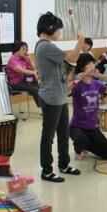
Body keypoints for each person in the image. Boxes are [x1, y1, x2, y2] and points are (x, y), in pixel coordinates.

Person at [35, 12, 83, 183]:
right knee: (48, 135)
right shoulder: (45, 46)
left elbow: (65, 66)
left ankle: (64, 164)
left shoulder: (46, 46)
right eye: (58, 30)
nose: (59, 33)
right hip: (51, 97)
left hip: (59, 95)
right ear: (50, 28)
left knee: (64, 133)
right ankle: (46, 170)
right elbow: (72, 57)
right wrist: (81, 40)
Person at [69, 53, 107, 161]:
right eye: (88, 64)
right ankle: (78, 149)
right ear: (82, 68)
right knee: (81, 139)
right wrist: (75, 80)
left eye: (92, 63)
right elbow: (64, 92)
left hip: (92, 127)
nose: (92, 66)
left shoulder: (96, 84)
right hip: (77, 127)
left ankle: (87, 145)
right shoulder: (77, 85)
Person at [6, 41, 40, 108]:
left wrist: (29, 60)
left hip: (25, 80)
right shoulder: (12, 60)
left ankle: (48, 105)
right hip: (16, 83)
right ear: (18, 49)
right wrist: (34, 73)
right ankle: (44, 108)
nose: (25, 51)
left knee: (42, 86)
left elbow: (34, 68)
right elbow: (22, 71)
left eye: (26, 50)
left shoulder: (23, 58)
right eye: (23, 49)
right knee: (35, 89)